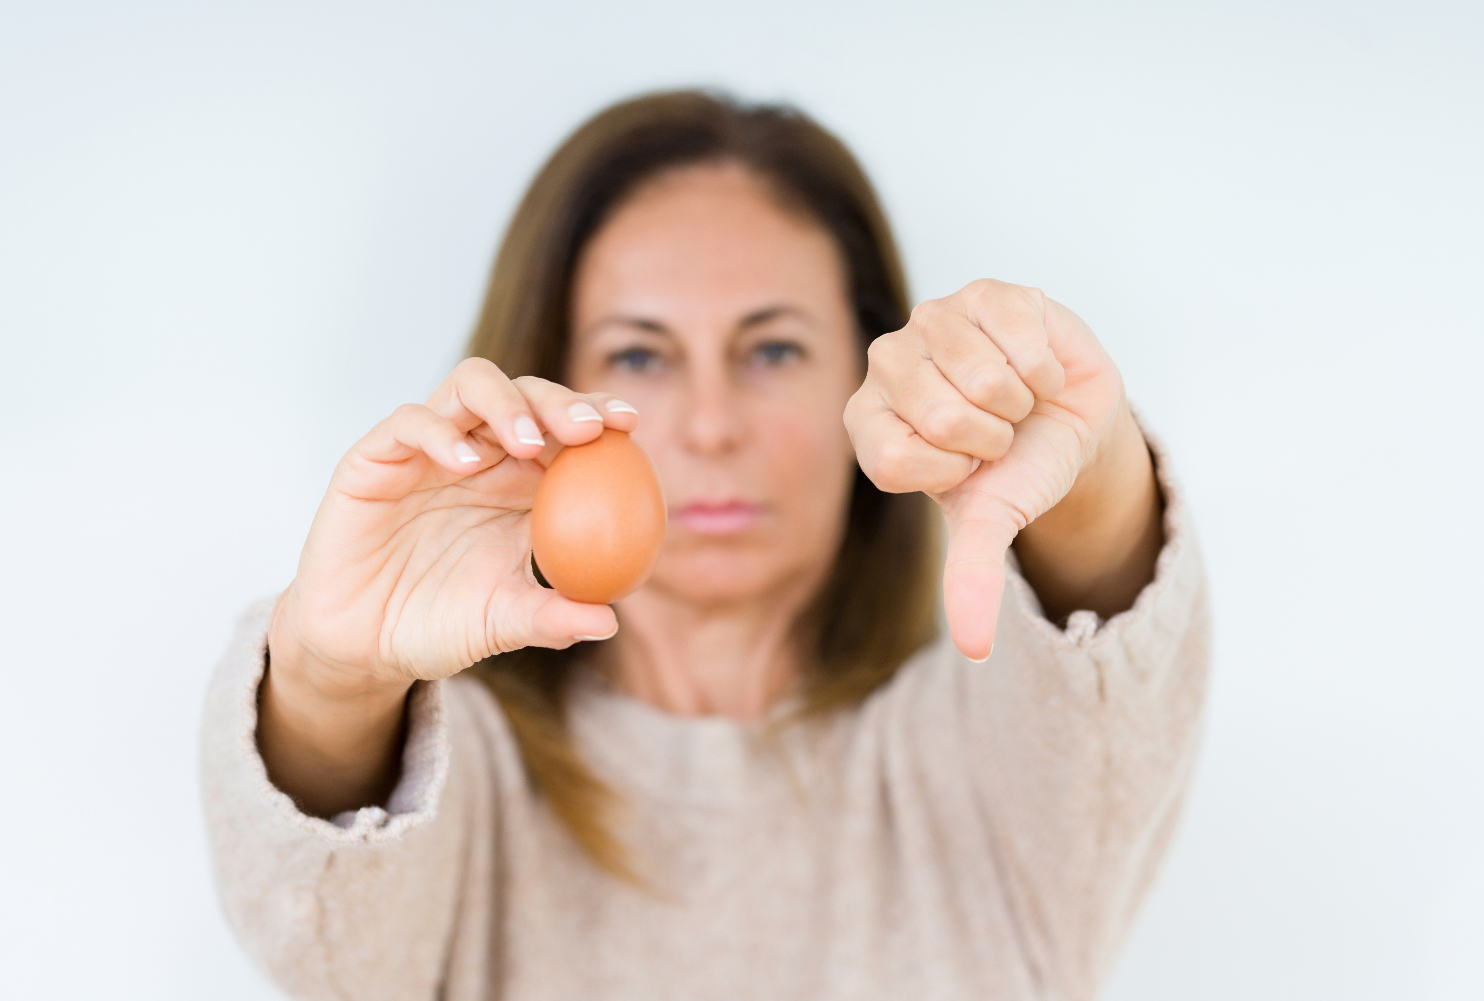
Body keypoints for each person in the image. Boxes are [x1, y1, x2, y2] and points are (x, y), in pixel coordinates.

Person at [201, 89, 1209, 1001]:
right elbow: (326, 936)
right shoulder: (460, 780)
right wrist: (334, 680)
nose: (711, 425)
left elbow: (1101, 692)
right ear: (546, 390)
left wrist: (1086, 465)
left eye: (773, 349)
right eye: (640, 353)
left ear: (859, 381)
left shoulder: (974, 768)